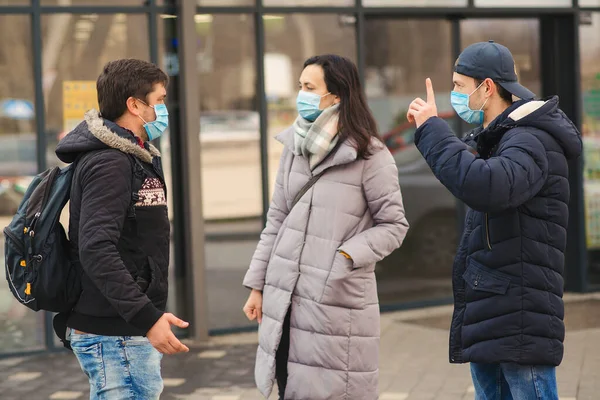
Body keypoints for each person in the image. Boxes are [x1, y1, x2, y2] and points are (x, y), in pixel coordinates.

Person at [406, 41, 582, 400]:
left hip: (519, 315)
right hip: (495, 307)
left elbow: (486, 186)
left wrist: (432, 129)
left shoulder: (532, 140)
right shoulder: (504, 138)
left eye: (458, 85)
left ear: (486, 88)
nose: (454, 93)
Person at [242, 54, 409, 400]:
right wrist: (257, 284)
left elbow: (393, 225)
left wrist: (345, 256)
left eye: (308, 87)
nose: (300, 93)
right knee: (291, 387)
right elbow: (276, 220)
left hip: (336, 306)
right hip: (286, 302)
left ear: (335, 96)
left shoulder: (371, 155)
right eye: (300, 86)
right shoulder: (294, 149)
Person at [55, 59, 189, 400]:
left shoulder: (133, 157)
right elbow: (97, 248)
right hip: (115, 335)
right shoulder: (110, 163)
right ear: (134, 105)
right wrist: (146, 317)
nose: (164, 109)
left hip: (125, 331)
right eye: (159, 101)